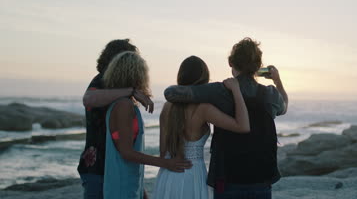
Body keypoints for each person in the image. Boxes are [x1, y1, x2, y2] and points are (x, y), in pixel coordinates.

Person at [164, 38, 288, 199]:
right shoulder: (270, 94)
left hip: (228, 178)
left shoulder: (219, 91)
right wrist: (277, 80)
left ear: (231, 62)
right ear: (258, 67)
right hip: (261, 178)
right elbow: (284, 106)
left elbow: (170, 93)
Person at [78, 39, 191, 199]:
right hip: (98, 170)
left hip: (117, 172)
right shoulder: (115, 97)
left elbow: (125, 149)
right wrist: (165, 163)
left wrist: (140, 188)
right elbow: (126, 152)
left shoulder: (123, 101)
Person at [151, 56, 250, 199]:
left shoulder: (167, 107)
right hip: (193, 173)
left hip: (168, 175)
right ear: (204, 80)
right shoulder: (203, 108)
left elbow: (163, 152)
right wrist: (236, 91)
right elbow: (243, 126)